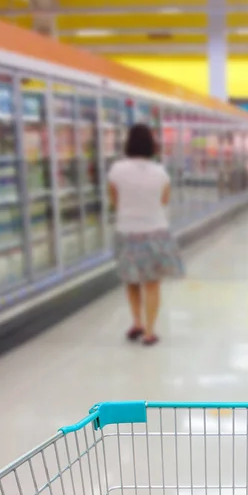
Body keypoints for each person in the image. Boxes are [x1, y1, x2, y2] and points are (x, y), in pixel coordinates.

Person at [109, 123, 184, 346]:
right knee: (152, 283)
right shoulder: (160, 172)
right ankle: (150, 332)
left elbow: (115, 201)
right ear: (152, 144)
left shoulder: (116, 170)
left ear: (128, 143)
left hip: (127, 231)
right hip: (155, 232)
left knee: (131, 281)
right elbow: (164, 200)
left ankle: (136, 323)